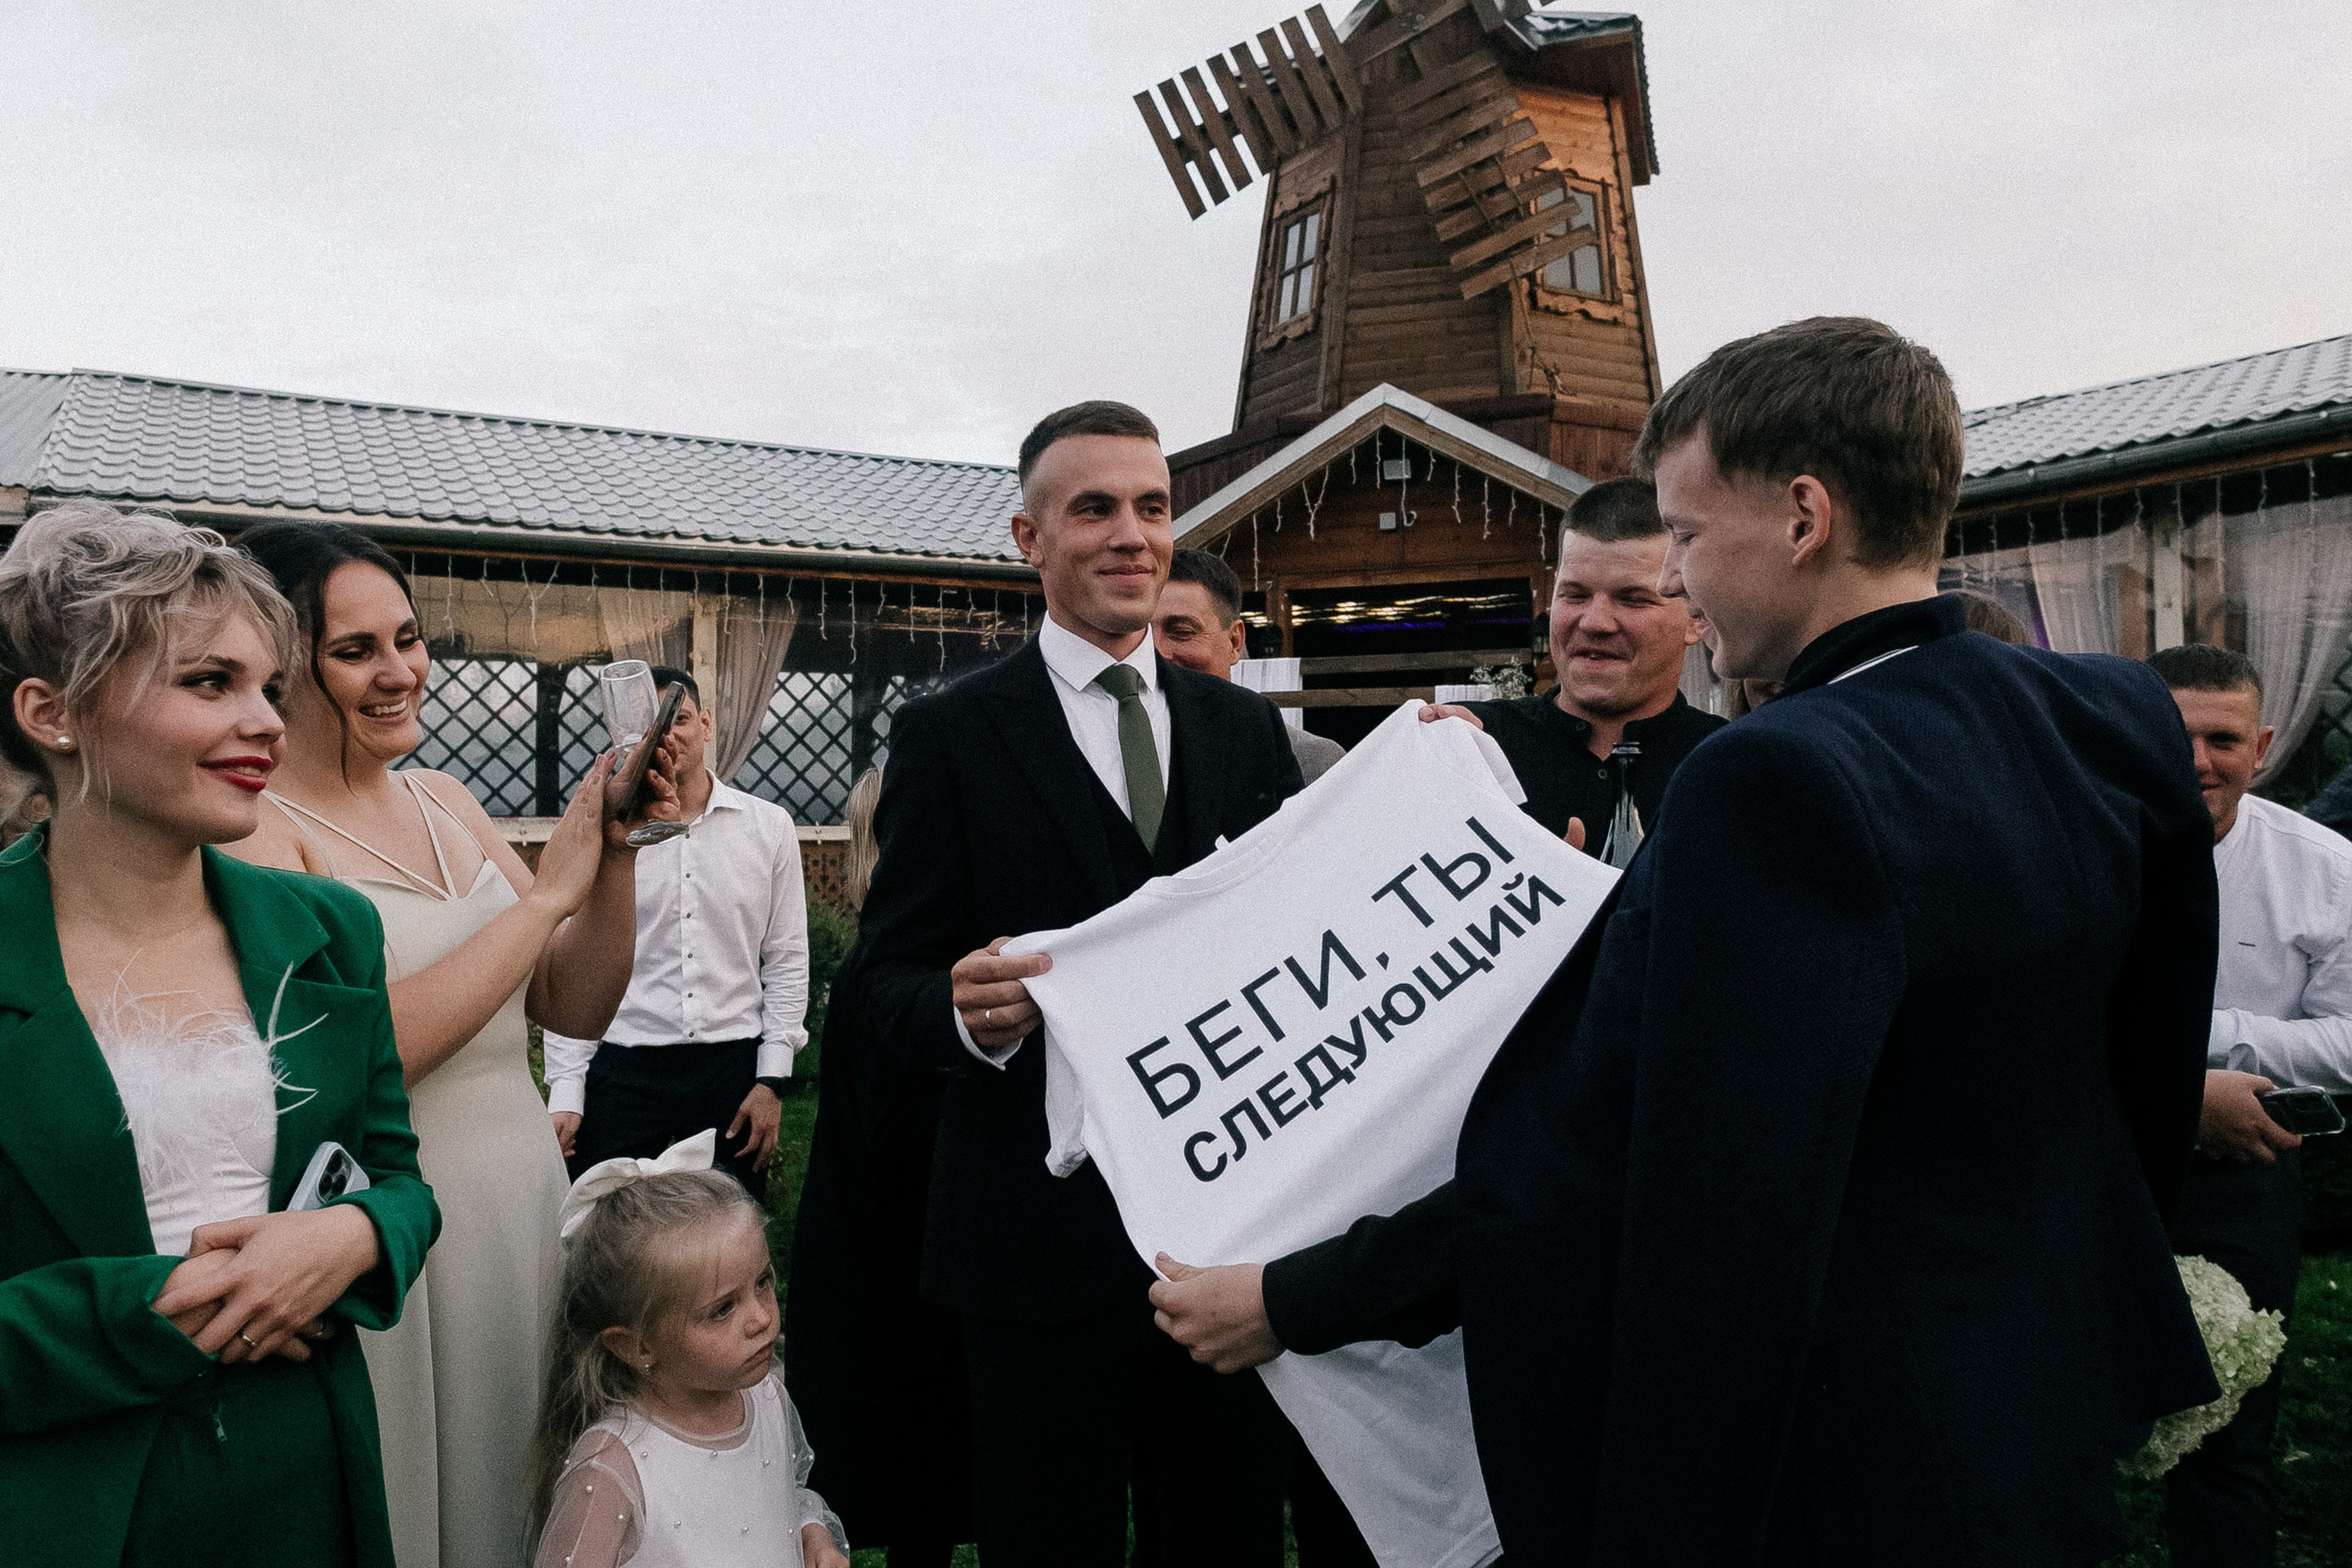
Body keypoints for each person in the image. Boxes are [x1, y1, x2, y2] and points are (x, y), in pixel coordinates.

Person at [1150, 317, 2223, 1565]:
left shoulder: (1771, 780)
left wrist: (1292, 1294)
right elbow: (2147, 1061)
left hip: (1837, 1453)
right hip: (2038, 1396)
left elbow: (1647, 1168)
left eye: (1692, 541)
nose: (1688, 590)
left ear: (1806, 517)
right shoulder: (2107, 713)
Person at [845, 400, 1303, 1566]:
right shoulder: (950, 735)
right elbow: (880, 986)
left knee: (1229, 1536)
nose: (1130, 534)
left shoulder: (1245, 732)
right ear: (1028, 537)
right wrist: (960, 1016)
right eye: (1092, 507)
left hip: (1220, 1239)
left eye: (1151, 507)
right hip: (1030, 1248)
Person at [0, 502, 439, 1568]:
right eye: (211, 683)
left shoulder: (328, 927)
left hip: (303, 1477)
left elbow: (397, 1175)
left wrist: (355, 1238)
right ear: (52, 712)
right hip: (69, 1500)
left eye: (270, 687)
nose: (269, 723)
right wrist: (159, 1303)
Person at [228, 521, 671, 1568]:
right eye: (355, 651)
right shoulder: (260, 829)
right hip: (394, 1218)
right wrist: (548, 894)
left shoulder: (444, 797)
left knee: (524, 1477)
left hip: (517, 1191)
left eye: (410, 639)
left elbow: (570, 1001)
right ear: (280, 668)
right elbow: (348, 1062)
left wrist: (611, 858)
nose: (399, 674)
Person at [2149, 643, 2352, 1568]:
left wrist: (2195, 1038)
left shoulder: (2322, 868)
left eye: (2221, 738)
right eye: (2173, 732)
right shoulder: (2081, 843)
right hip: (2090, 1167)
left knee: (2227, 1438)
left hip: (2242, 1175)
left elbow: (2349, 1042)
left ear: (2262, 745)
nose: (2196, 758)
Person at [786, 766, 975, 1568]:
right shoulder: (891, 981)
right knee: (916, 1469)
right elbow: (903, 1131)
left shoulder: (882, 963)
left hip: (877, 1250)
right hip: (891, 1263)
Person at [544, 667, 810, 1197]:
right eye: (653, 726)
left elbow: (785, 957)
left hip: (730, 1069)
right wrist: (567, 1091)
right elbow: (569, 959)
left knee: (726, 1236)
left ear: (707, 723)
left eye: (681, 719)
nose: (668, 736)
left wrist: (772, 1079)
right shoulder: (606, 830)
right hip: (624, 1067)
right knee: (608, 1237)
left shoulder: (769, 827)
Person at [530, 1136, 849, 1568]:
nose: (760, 1318)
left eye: (762, 1282)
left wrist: (813, 1536)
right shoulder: (611, 1469)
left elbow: (788, 1494)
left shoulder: (766, 1396)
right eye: (722, 1309)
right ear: (636, 1345)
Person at [1453, 476, 1723, 864]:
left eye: (1633, 600)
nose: (1596, 622)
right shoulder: (1475, 746)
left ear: (1696, 617)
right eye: (1575, 595)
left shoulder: (1730, 767)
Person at [1152, 547, 1346, 784]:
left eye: (1182, 633)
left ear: (1234, 642)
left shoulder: (1307, 759)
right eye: (1138, 635)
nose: (1155, 652)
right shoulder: (1117, 754)